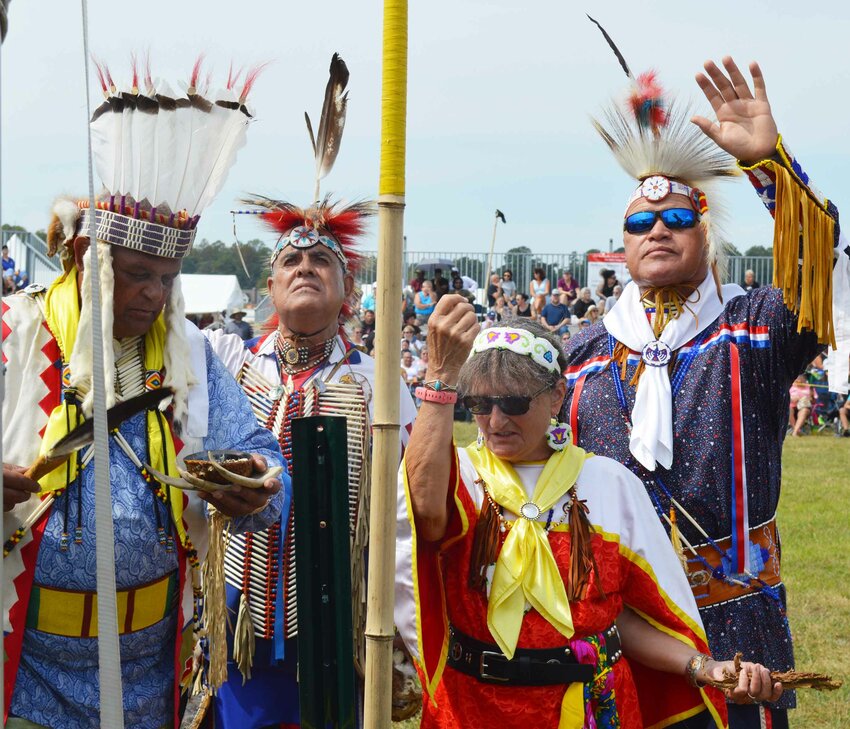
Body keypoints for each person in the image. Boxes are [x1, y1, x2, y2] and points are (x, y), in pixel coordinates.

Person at [564, 53, 848, 728]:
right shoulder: (582, 357)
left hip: (738, 628)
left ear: (706, 235)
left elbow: (818, 269)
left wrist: (768, 166)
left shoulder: (752, 330)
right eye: (638, 223)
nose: (656, 229)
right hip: (618, 633)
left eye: (677, 218)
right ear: (623, 246)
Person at [2, 62, 286, 729]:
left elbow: (267, 469)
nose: (154, 294)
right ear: (85, 260)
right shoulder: (15, 332)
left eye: (166, 277)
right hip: (27, 666)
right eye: (135, 275)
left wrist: (258, 488)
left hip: (156, 671)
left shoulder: (191, 355)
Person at [397, 298, 780, 728]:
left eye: (514, 403)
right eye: (480, 405)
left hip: (592, 710)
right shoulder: (459, 473)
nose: (495, 420)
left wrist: (703, 667)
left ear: (557, 395)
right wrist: (440, 377)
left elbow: (619, 615)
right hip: (472, 709)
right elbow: (425, 514)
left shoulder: (609, 483)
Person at [206, 55, 419, 728]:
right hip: (242, 612)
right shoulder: (231, 366)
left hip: (338, 625)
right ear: (268, 287)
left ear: (348, 290)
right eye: (290, 261)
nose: (303, 267)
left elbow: (407, 519)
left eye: (320, 260)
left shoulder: (379, 386)